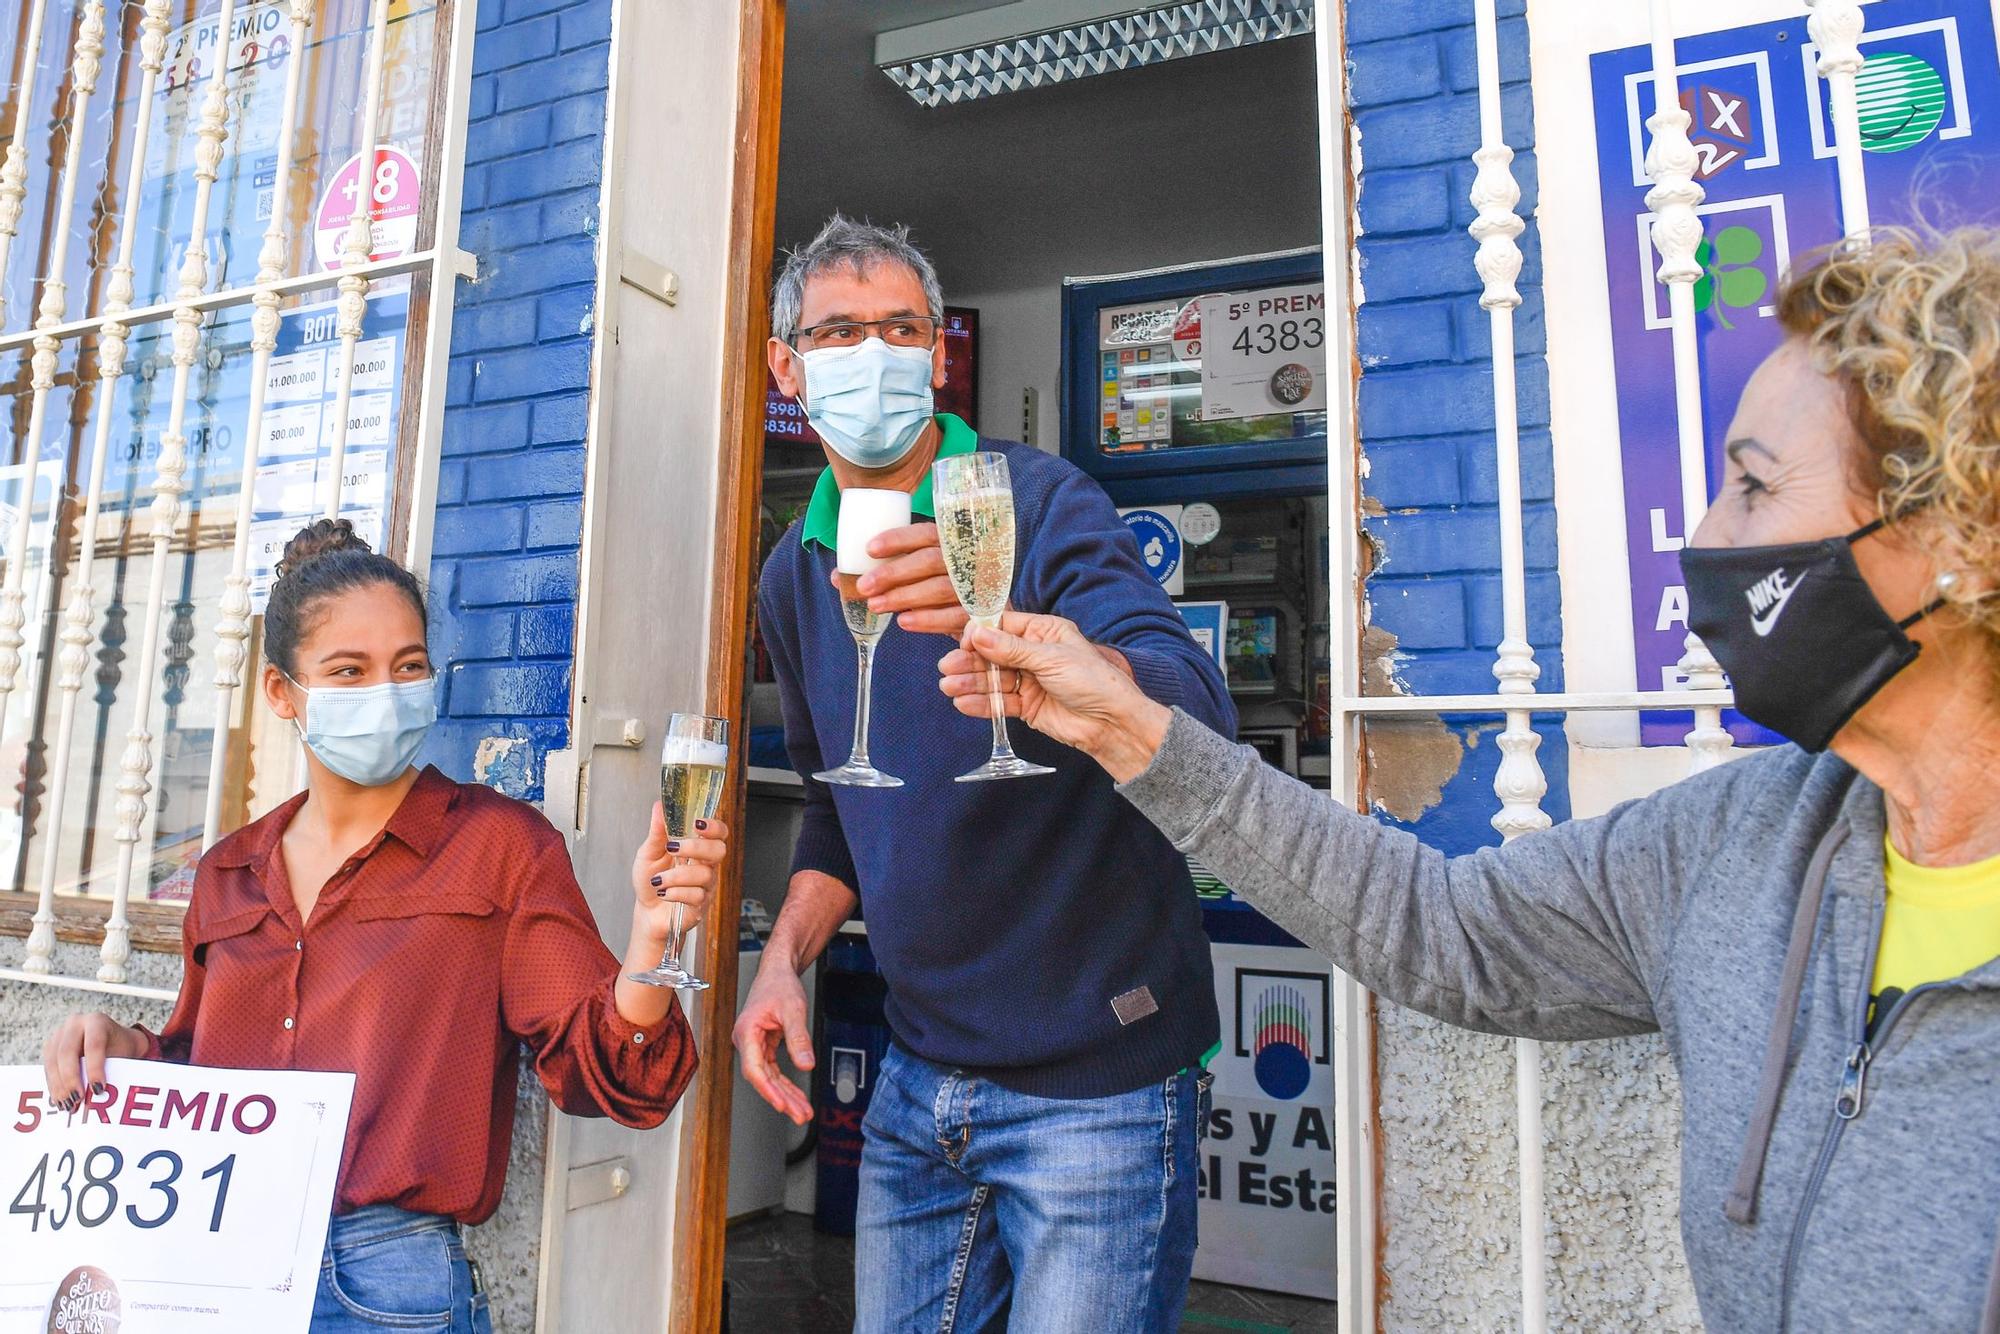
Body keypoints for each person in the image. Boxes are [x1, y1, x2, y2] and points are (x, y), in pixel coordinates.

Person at [941, 226, 2000, 1331]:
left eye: (1750, 485)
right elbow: (1436, 925)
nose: (1702, 535)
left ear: (1958, 534)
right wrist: (1129, 729)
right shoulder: (1738, 843)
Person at [41, 520, 728, 1333]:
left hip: (384, 1284)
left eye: (407, 667)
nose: (385, 692)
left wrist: (651, 942)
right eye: (348, 671)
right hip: (213, 1259)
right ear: (280, 693)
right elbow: (202, 1075)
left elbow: (609, 1070)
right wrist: (125, 1049)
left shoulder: (500, 849)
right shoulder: (228, 872)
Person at [738, 215, 1236, 1331]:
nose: (874, 353)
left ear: (936, 353)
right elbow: (836, 803)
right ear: (787, 365)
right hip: (920, 1078)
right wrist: (782, 965)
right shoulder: (794, 571)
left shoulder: (1035, 498)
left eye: (900, 327)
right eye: (839, 330)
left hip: (1097, 1078)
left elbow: (1188, 700)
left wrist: (1059, 652)